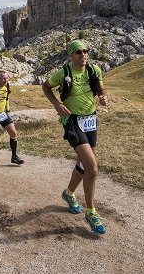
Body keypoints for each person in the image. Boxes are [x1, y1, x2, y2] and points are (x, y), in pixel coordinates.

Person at [42, 40, 109, 235]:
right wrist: (56, 104)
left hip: (90, 120)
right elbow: (45, 86)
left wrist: (105, 97)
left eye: (86, 51)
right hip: (72, 120)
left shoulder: (93, 70)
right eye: (79, 52)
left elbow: (101, 89)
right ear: (71, 55)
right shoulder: (63, 73)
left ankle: (69, 193)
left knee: (84, 163)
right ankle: (91, 211)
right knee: (93, 168)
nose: (83, 55)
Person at [0, 70, 24, 166]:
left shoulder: (6, 86)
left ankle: (14, 157)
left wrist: (8, 109)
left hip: (2, 114)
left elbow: (6, 98)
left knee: (13, 133)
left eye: (7, 78)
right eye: (3, 78)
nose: (5, 80)